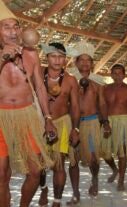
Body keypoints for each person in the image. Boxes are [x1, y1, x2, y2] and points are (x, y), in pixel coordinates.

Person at [0, 3, 55, 206]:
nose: (13, 31)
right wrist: (3, 56)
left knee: (35, 170)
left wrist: (48, 118)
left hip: (27, 116)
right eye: (6, 27)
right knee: (1, 175)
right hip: (0, 117)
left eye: (16, 27)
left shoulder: (30, 54)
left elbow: (40, 87)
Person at [65, 41, 111, 205]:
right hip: (72, 124)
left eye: (88, 60)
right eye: (81, 60)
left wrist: (105, 122)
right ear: (76, 62)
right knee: (73, 159)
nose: (84, 63)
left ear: (92, 63)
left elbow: (103, 103)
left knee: (93, 159)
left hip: (91, 123)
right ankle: (76, 193)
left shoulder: (98, 81)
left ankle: (95, 178)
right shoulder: (69, 79)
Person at [38, 42, 80, 207]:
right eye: (53, 56)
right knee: (39, 165)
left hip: (62, 123)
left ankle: (57, 201)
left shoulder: (70, 81)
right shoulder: (38, 74)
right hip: (39, 122)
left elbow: (76, 107)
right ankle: (44, 189)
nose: (57, 60)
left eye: (61, 57)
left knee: (59, 164)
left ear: (65, 60)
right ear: (47, 57)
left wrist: (75, 129)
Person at [101, 64, 127, 191]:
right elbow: (103, 106)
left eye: (119, 73)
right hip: (108, 121)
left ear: (124, 75)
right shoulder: (105, 89)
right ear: (111, 75)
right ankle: (114, 169)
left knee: (122, 152)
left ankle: (121, 180)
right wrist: (105, 122)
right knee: (104, 152)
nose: (117, 76)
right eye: (114, 73)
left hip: (124, 121)